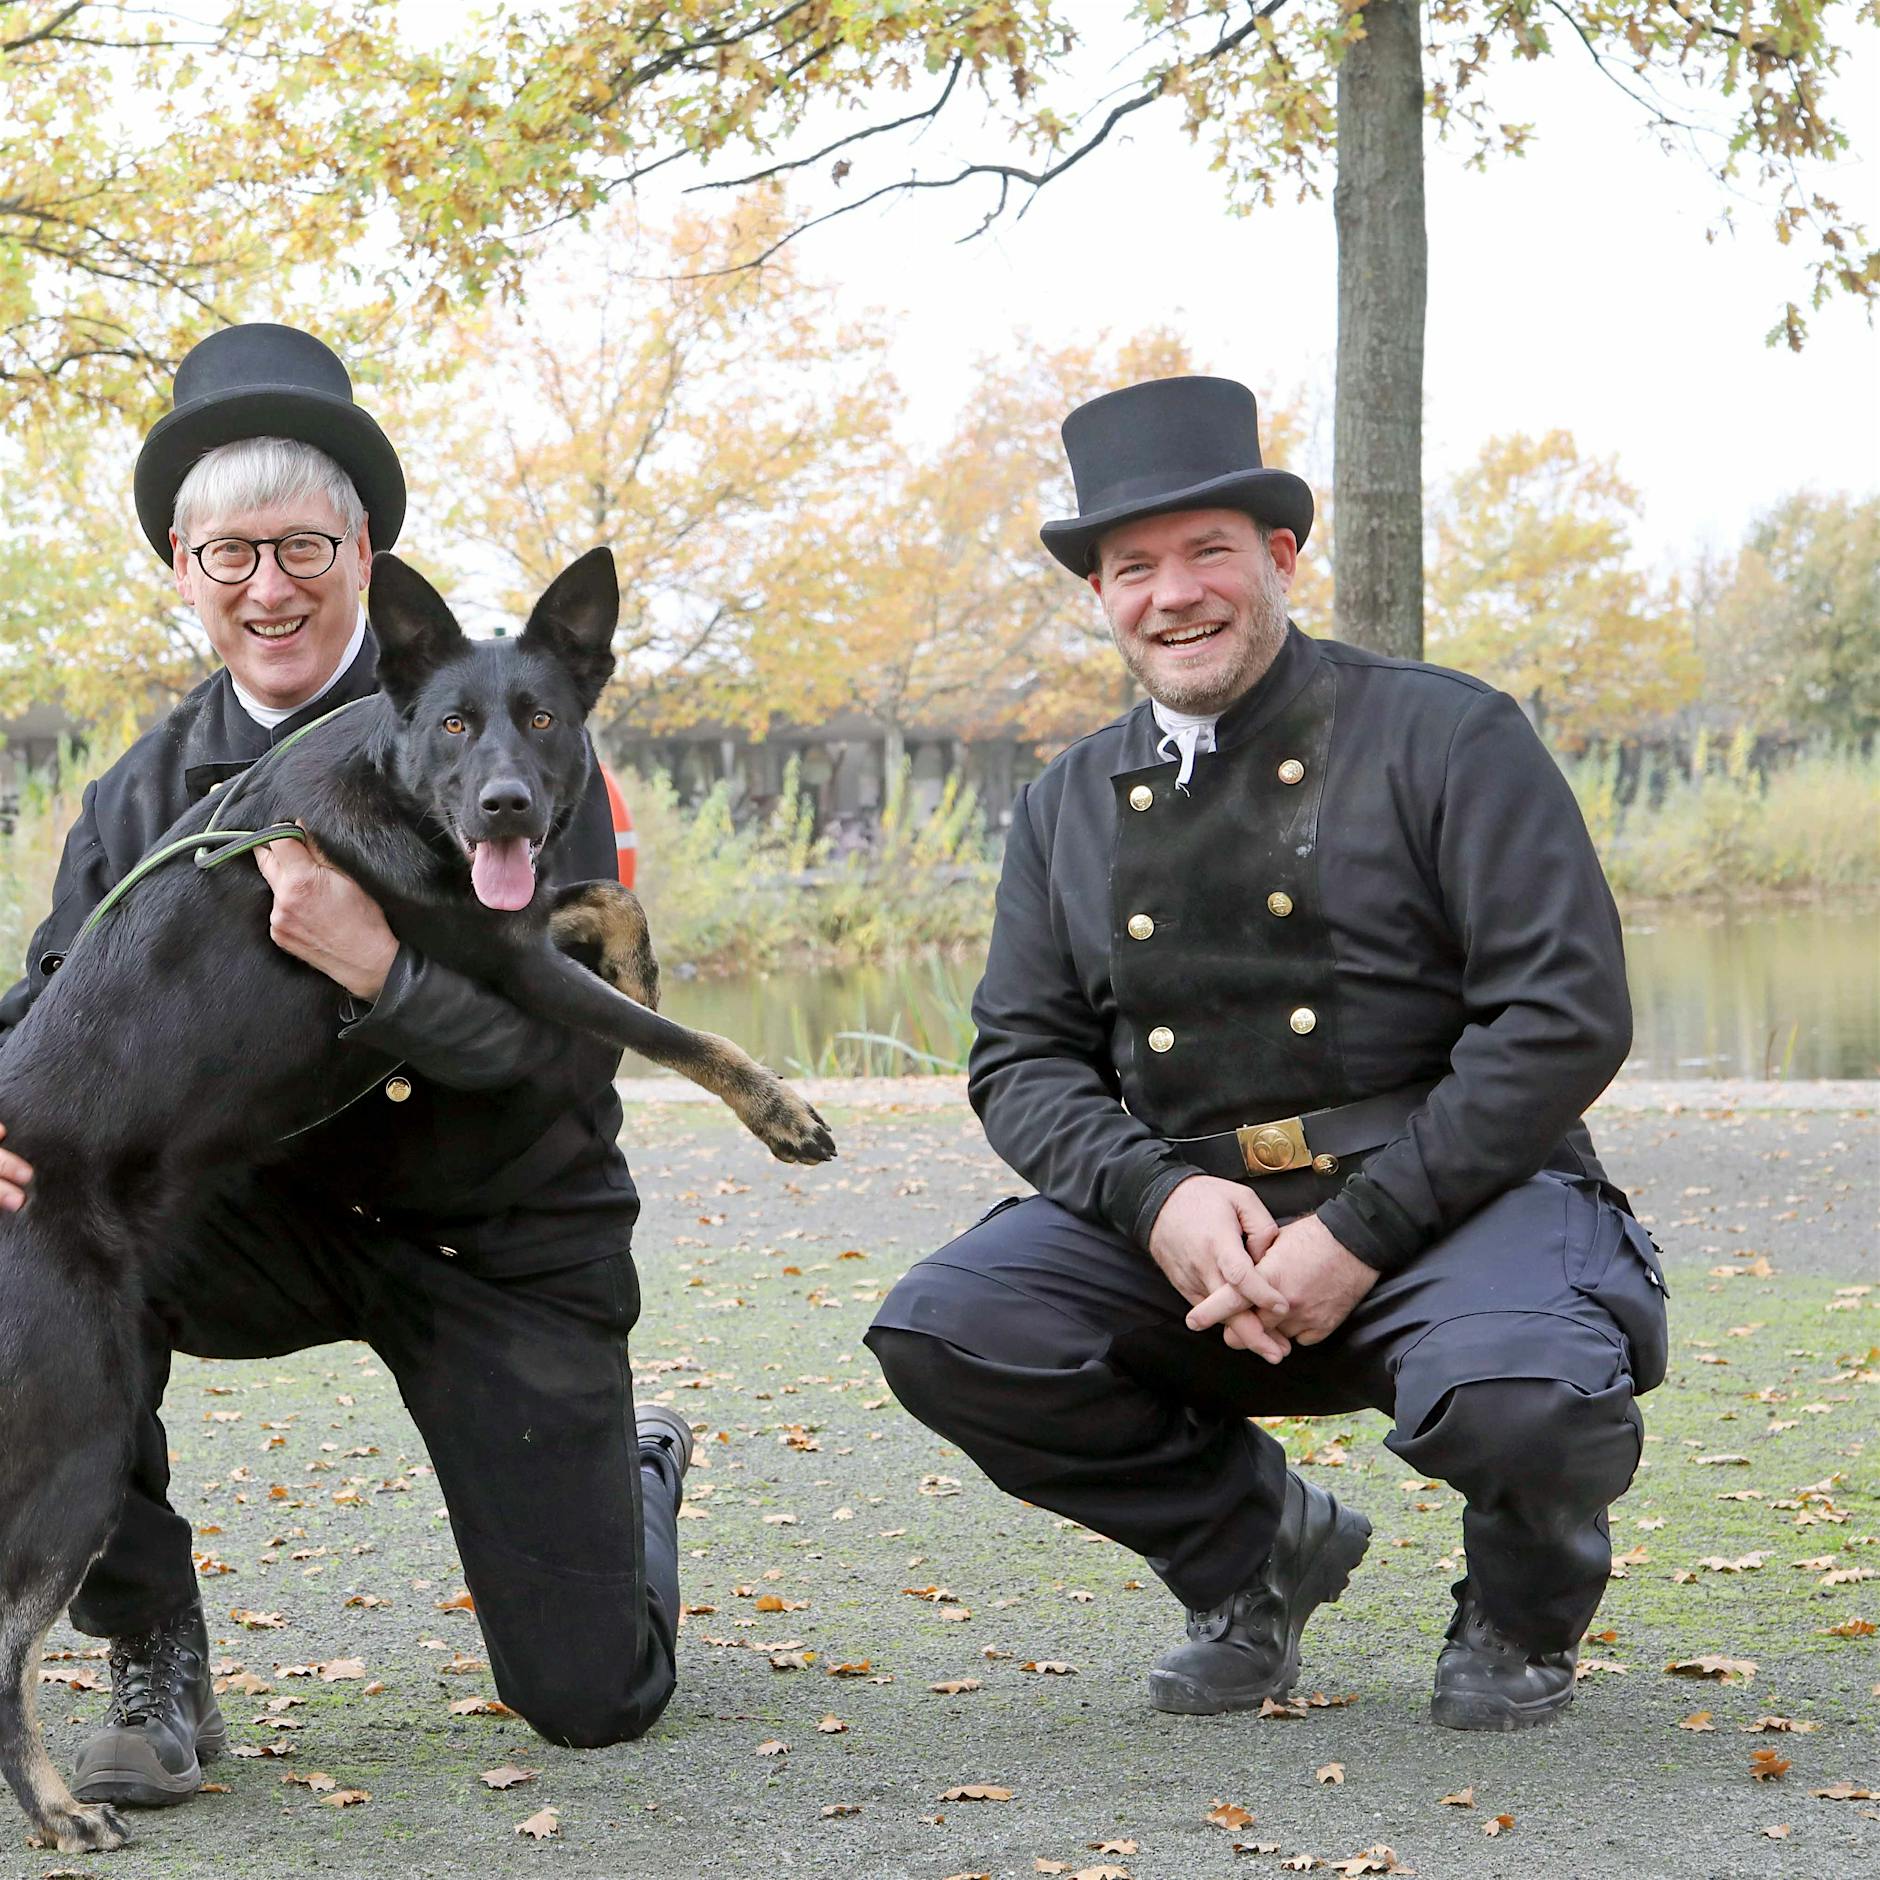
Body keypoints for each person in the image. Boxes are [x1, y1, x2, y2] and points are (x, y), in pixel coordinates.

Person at [866, 375, 1668, 1731]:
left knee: (1528, 1398)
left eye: (1208, 553)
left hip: (1454, 1204)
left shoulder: (1450, 735)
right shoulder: (1065, 801)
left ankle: (1522, 1610)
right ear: (1102, 594)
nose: (1174, 595)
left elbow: (1563, 1014)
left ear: (1280, 557)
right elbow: (1022, 1060)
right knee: (953, 1328)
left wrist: (1361, 1229)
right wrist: (1156, 1198)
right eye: (1135, 568)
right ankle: (1254, 1549)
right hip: (1203, 1232)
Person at [0, 323, 691, 1809]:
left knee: (591, 1701)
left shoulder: (515, 736)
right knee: (36, 1228)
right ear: (183, 570)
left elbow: (563, 1062)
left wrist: (379, 970)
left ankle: (627, 1480)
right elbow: (57, 1009)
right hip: (249, 1222)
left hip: (495, 1227)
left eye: (304, 546)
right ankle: (150, 1641)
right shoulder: (138, 795)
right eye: (229, 553)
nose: (270, 587)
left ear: (364, 556)